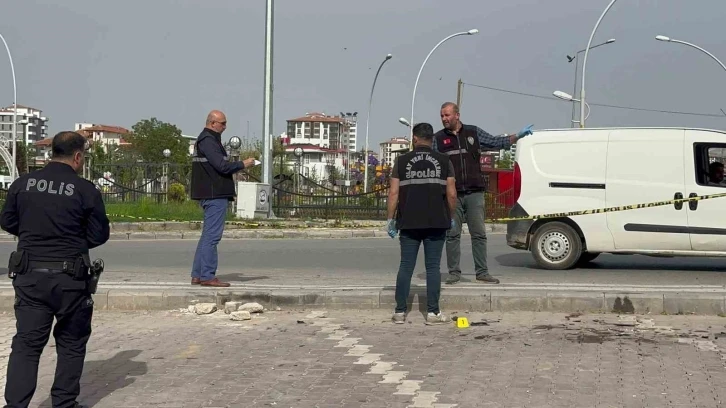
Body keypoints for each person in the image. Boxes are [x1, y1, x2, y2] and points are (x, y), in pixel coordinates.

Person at [1, 131, 110, 408]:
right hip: (70, 280)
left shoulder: (22, 184)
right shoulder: (86, 190)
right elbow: (99, 235)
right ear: (77, 156)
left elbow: (8, 222)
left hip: (30, 276)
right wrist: (71, 240)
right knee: (72, 343)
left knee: (26, 344)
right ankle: (63, 404)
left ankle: (15, 405)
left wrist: (34, 235)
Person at [433, 102, 533, 285]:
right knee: (452, 235)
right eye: (441, 116)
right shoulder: (438, 139)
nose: (444, 119)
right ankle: (454, 273)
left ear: (457, 115)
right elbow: (431, 163)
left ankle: (482, 272)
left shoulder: (473, 133)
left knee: (478, 234)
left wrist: (517, 135)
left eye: (447, 115)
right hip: (452, 195)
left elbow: (497, 142)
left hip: (475, 193)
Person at [387, 122, 457, 324]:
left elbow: (393, 193)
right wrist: (451, 217)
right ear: (432, 139)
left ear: (415, 139)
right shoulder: (444, 161)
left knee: (406, 266)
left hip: (408, 222)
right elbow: (452, 194)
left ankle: (400, 312)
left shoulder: (401, 161)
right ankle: (433, 313)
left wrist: (390, 219)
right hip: (437, 222)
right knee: (433, 267)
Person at [190, 110, 256, 287]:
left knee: (206, 236)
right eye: (223, 123)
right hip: (214, 194)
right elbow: (221, 166)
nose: (225, 127)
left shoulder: (207, 139)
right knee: (212, 237)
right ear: (212, 123)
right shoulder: (208, 140)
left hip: (211, 193)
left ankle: (198, 274)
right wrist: (243, 164)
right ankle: (207, 275)